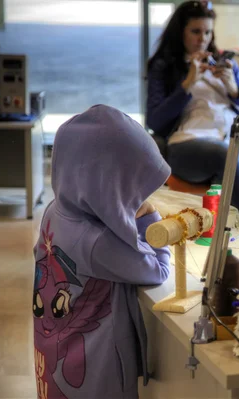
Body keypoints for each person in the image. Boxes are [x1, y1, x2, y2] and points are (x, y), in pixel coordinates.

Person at [33, 105, 171, 398]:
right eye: (130, 188)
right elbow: (157, 271)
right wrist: (149, 216)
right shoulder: (97, 243)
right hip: (96, 372)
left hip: (54, 357)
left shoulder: (55, 211)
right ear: (105, 186)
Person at [146, 0, 239, 224]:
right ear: (181, 33)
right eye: (196, 31)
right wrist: (187, 84)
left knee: (234, 160)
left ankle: (232, 239)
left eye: (208, 32)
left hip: (236, 143)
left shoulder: (227, 65)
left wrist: (234, 89)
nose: (203, 39)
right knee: (227, 157)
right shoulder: (165, 66)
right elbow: (156, 121)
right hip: (189, 144)